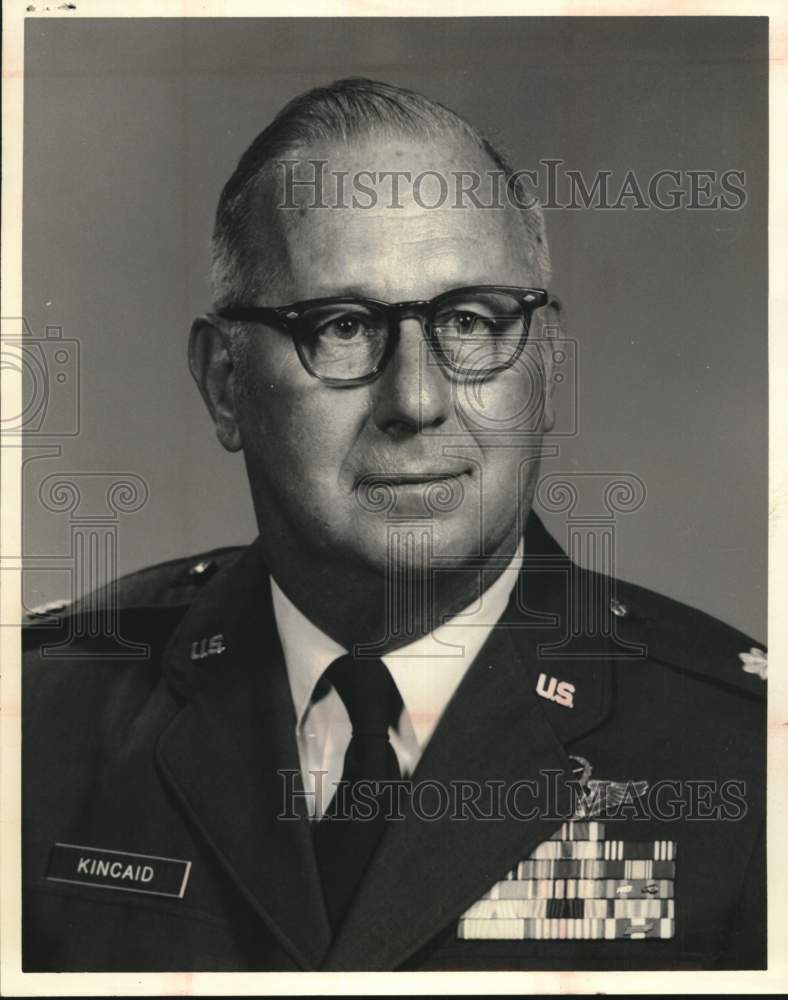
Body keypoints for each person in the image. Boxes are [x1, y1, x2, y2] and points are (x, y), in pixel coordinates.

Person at [22, 78, 766, 972]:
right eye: (341, 326)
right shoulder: (38, 717)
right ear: (225, 384)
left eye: (470, 321)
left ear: (547, 368)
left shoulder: (750, 755)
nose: (415, 400)